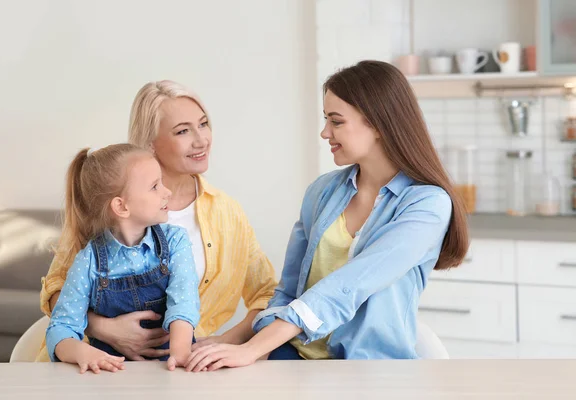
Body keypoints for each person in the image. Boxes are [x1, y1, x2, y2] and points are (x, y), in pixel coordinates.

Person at [184, 60, 469, 372]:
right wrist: (236, 341)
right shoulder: (322, 192)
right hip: (292, 357)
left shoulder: (427, 204)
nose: (324, 132)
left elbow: (348, 286)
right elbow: (288, 291)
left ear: (376, 123)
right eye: (326, 120)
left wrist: (251, 349)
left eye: (336, 121)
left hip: (370, 370)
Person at [37, 81, 277, 362]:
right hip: (95, 364)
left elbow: (267, 293)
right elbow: (57, 286)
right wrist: (105, 329)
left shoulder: (227, 213)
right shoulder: (110, 204)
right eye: (183, 131)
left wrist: (224, 342)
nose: (201, 140)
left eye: (203, 124)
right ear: (151, 144)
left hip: (177, 366)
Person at [46, 144, 199, 373]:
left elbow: (184, 302)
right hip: (112, 377)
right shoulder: (88, 261)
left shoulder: (176, 241)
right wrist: (82, 352)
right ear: (121, 206)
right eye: (155, 186)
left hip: (169, 368)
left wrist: (180, 354)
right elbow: (61, 328)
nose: (167, 192)